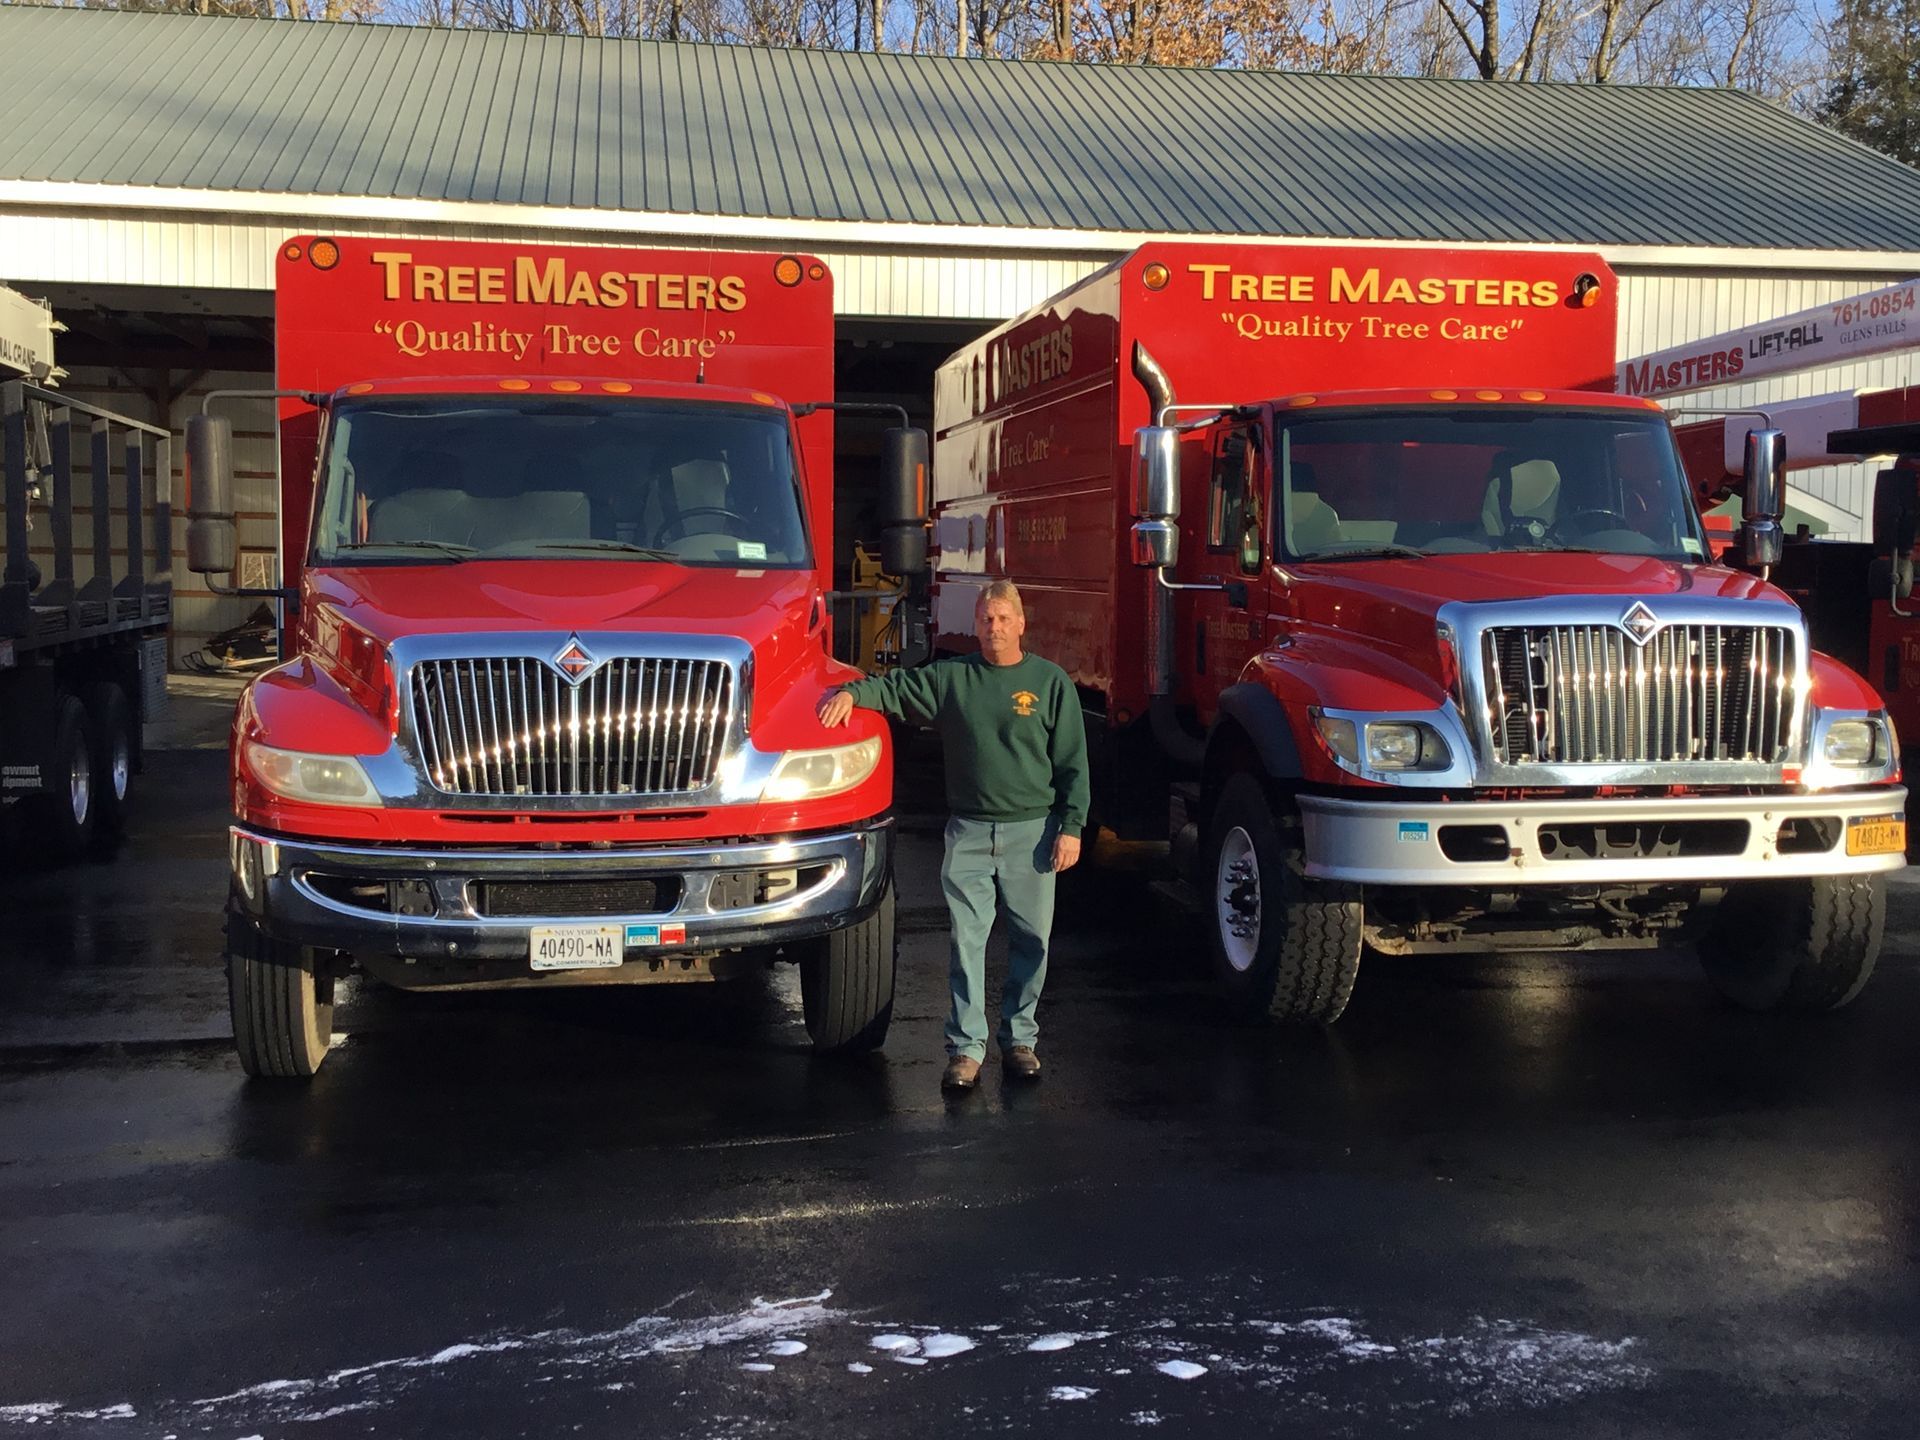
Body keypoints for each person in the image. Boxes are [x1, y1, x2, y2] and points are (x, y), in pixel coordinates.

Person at [818, 580, 1089, 1090]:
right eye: (987, 619)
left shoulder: (1051, 683)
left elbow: (1074, 765)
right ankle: (966, 1050)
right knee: (967, 943)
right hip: (968, 833)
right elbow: (895, 689)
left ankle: (1020, 1040)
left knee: (1033, 941)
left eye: (1004, 618)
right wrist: (853, 694)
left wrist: (1071, 828)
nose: (995, 628)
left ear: (1022, 623)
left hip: (1032, 833)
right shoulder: (952, 679)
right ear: (976, 624)